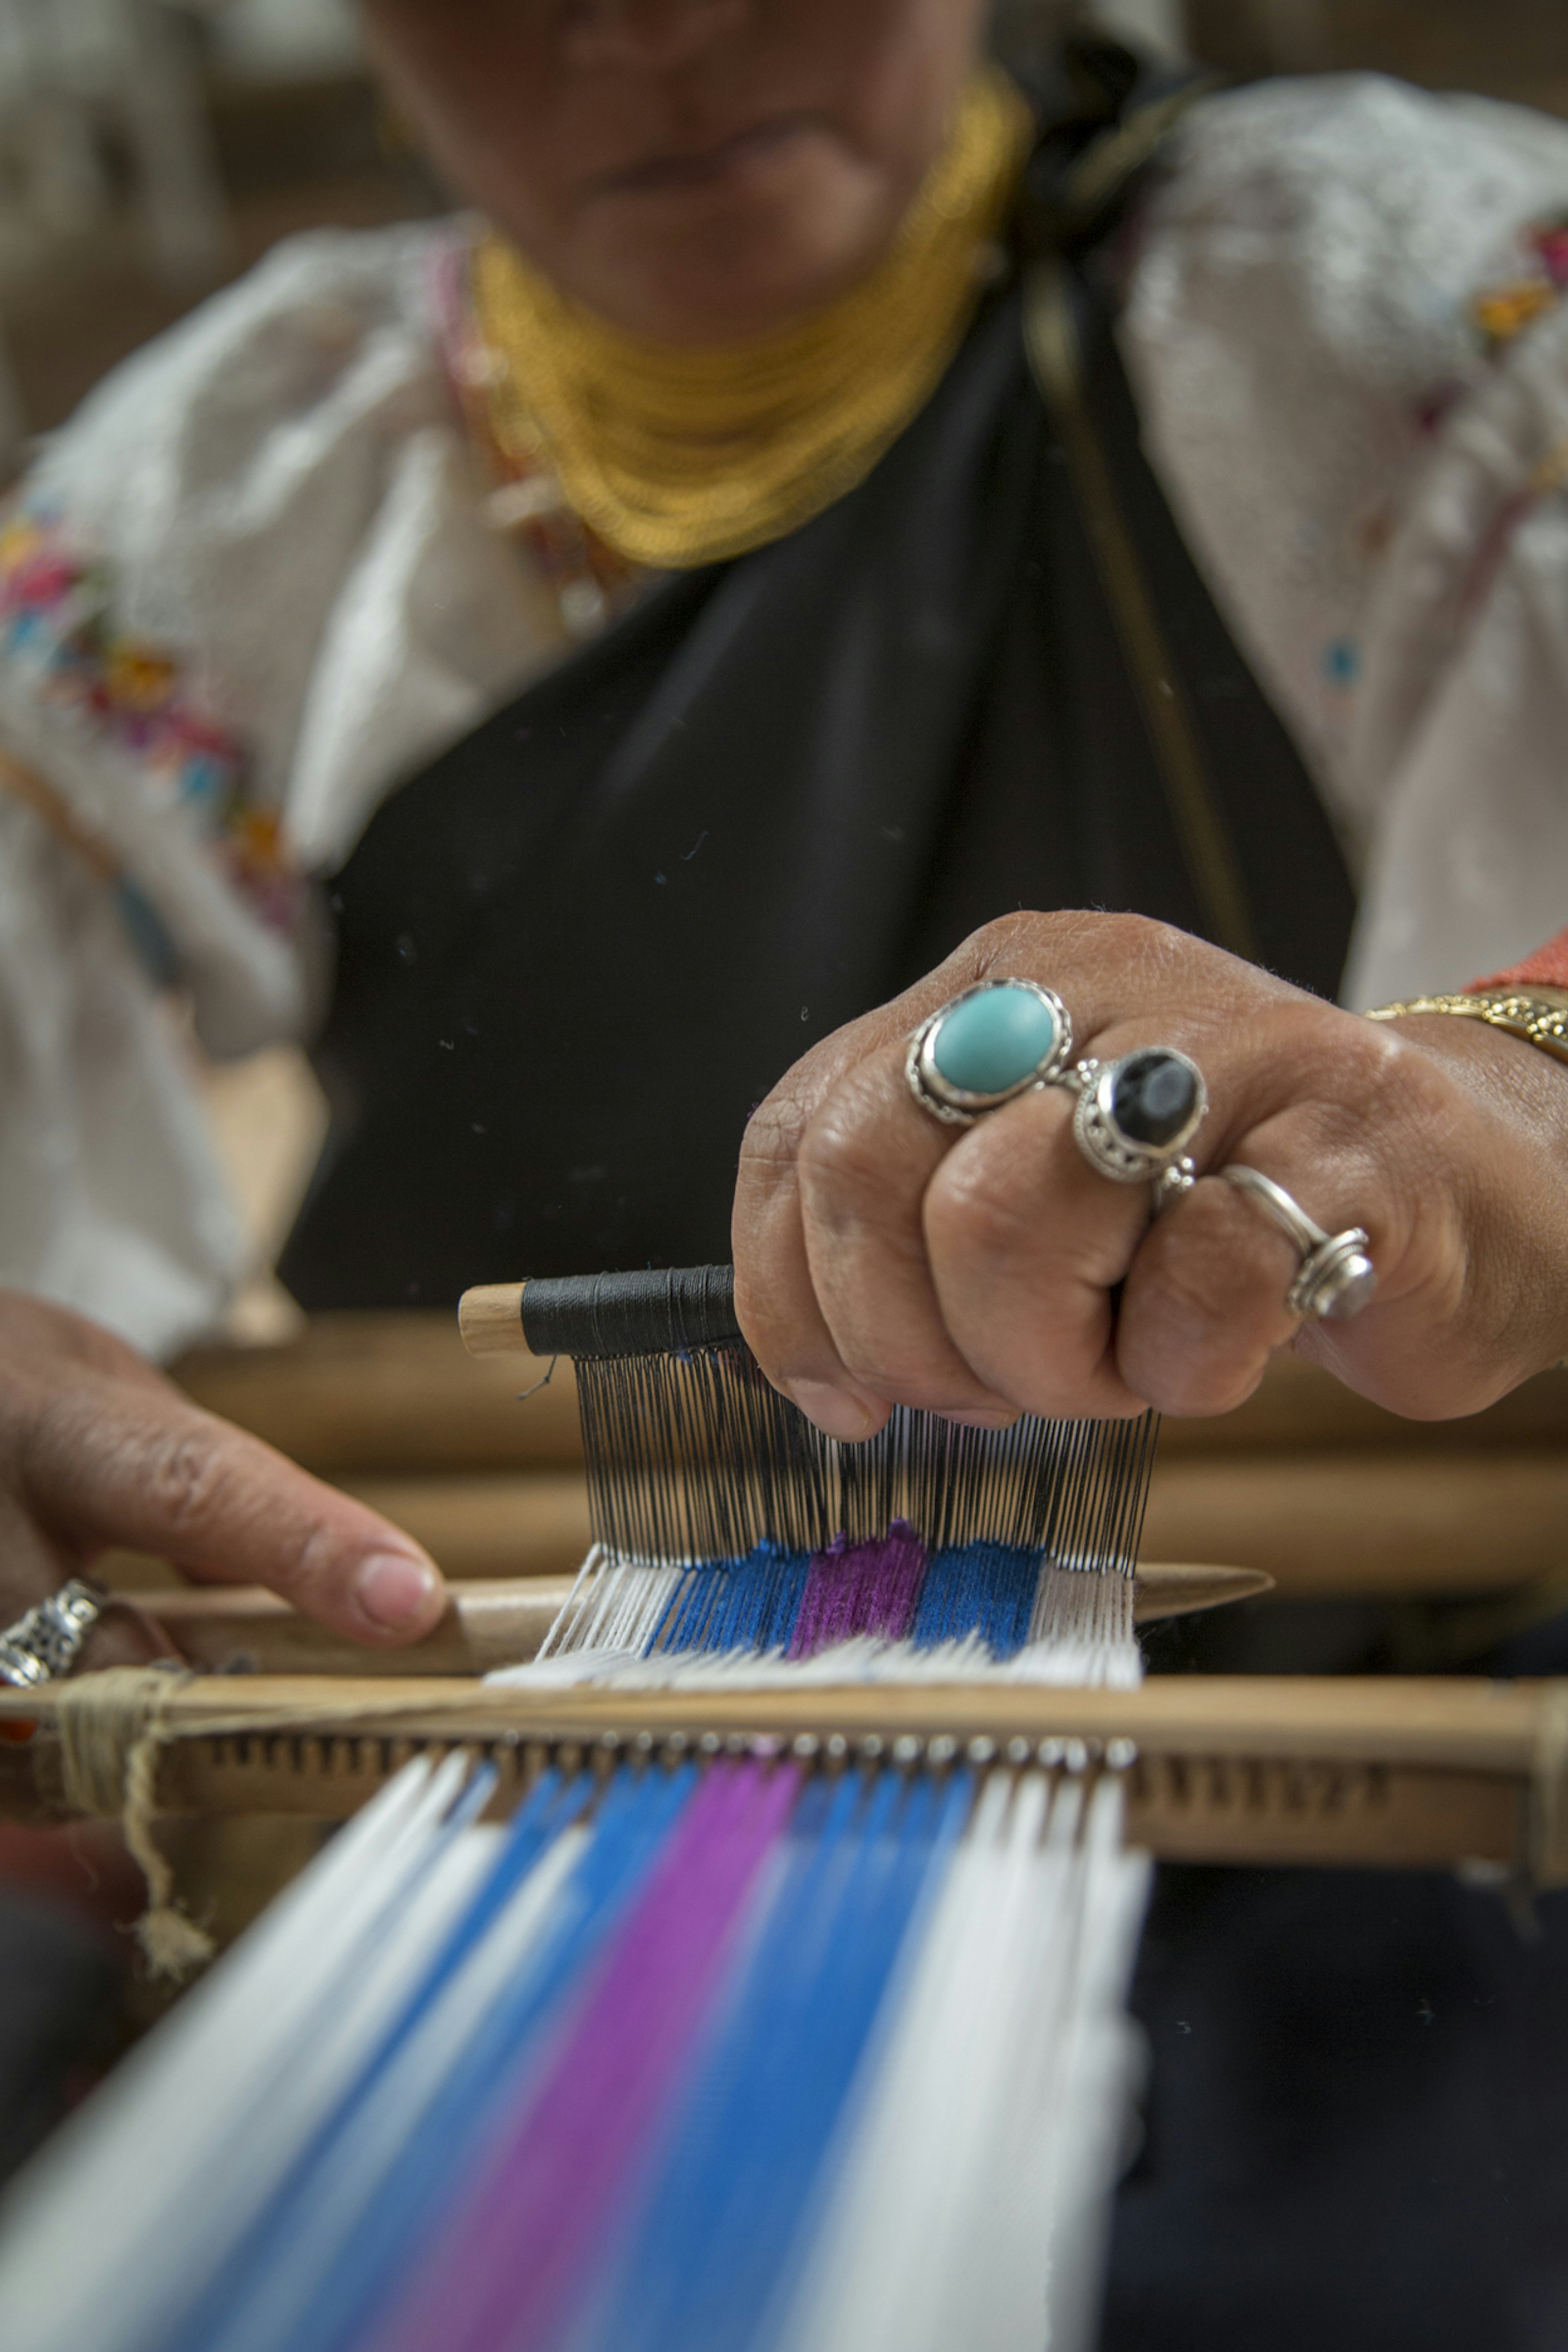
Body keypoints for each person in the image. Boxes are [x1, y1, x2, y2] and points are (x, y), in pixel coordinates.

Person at [4, 2, 1568, 2338]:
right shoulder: (227, 505)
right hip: (508, 1771)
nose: (653, 26)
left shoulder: (1394, 319)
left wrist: (1501, 1099)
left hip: (1357, 1756)